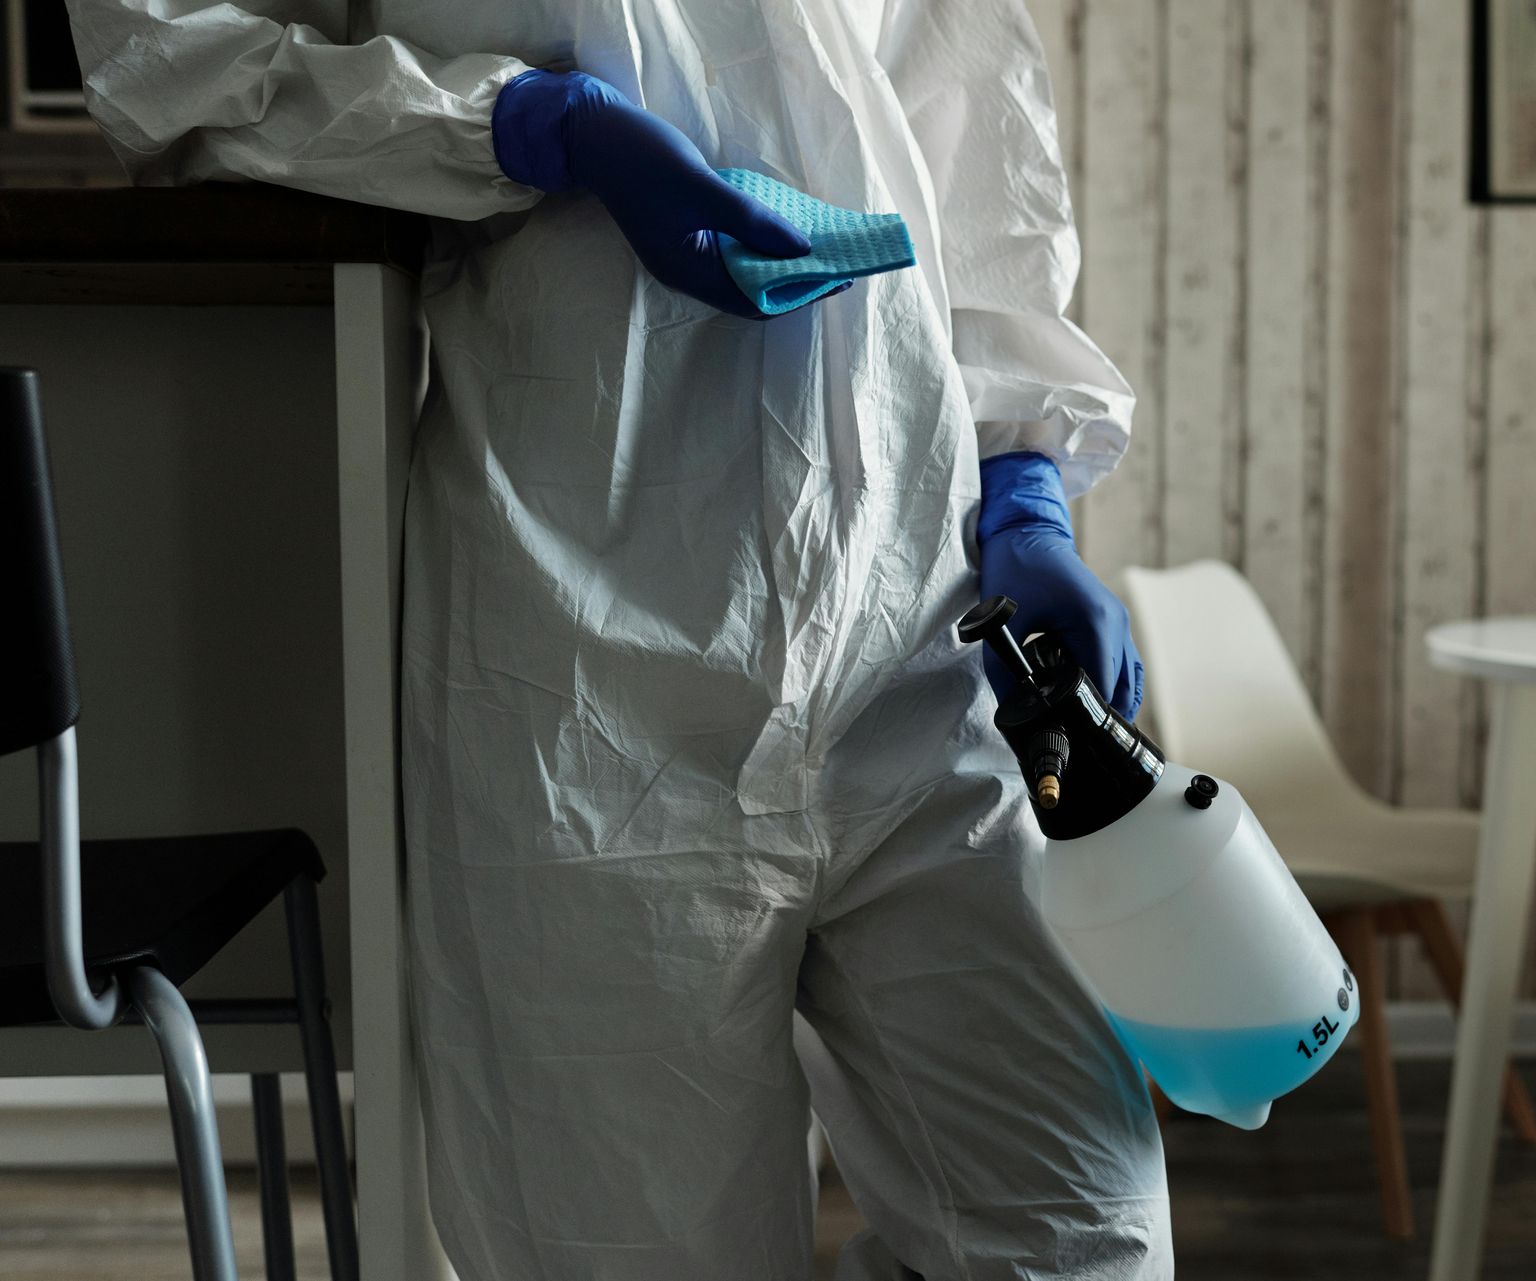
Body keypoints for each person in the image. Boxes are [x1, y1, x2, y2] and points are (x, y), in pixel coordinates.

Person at [67, 1, 1169, 1276]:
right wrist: (522, 126)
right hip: (586, 668)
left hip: (918, 631)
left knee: (1083, 1238)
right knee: (627, 1252)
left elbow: (970, 145)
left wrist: (1026, 495)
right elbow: (168, 60)